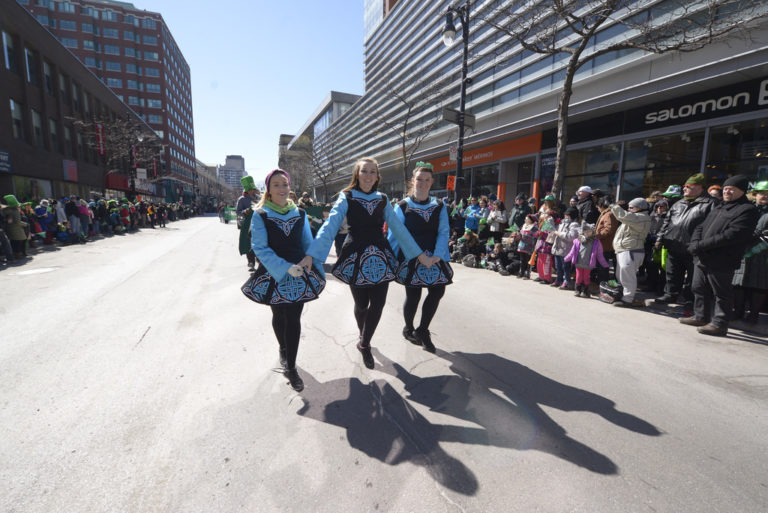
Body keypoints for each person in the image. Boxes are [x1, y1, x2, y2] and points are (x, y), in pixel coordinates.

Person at [300, 157, 436, 369]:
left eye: (373, 171)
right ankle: (362, 333)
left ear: (377, 176)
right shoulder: (347, 197)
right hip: (354, 255)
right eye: (365, 171)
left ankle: (365, 343)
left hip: (381, 256)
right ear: (357, 174)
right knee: (361, 305)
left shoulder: (383, 198)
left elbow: (399, 230)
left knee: (378, 304)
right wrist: (312, 255)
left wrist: (419, 255)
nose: (368, 175)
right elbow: (330, 226)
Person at [244, 169, 325, 391]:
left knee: (294, 318)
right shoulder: (260, 214)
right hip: (273, 273)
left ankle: (291, 366)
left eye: (285, 184)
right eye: (276, 185)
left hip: (299, 272)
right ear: (268, 190)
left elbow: (308, 242)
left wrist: (311, 260)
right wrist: (284, 268)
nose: (282, 188)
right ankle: (283, 348)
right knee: (279, 315)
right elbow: (260, 248)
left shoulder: (300, 213)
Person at [682, 175, 759, 336]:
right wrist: (695, 242)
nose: (726, 191)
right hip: (702, 256)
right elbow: (701, 226)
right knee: (698, 287)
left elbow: (732, 235)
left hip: (722, 259)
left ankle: (720, 324)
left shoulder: (747, 210)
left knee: (721, 293)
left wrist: (700, 245)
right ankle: (701, 317)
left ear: (742, 191)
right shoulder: (719, 206)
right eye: (725, 188)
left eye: (731, 189)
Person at [389, 162, 453, 353]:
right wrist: (416, 256)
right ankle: (408, 328)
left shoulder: (439, 205)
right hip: (411, 257)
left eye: (427, 180)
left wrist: (437, 255)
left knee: (437, 291)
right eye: (419, 179)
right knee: (413, 295)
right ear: (413, 181)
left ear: (431, 182)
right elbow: (399, 235)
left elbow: (443, 231)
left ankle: (423, 330)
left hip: (434, 257)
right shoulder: (402, 206)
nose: (423, 183)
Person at [654, 173, 714, 305]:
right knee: (672, 272)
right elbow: (667, 222)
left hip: (693, 247)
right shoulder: (678, 203)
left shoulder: (710, 204)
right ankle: (670, 294)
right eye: (684, 186)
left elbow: (711, 227)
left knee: (692, 276)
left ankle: (689, 299)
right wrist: (660, 238)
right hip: (673, 243)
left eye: (688, 186)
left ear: (700, 187)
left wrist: (701, 244)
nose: (684, 188)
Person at [732, 180, 768, 323]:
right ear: (755, 195)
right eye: (762, 193)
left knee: (759, 284)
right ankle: (737, 312)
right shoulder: (746, 209)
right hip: (742, 250)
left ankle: (753, 315)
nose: (765, 196)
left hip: (763, 252)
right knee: (738, 282)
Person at [611, 198, 652, 307]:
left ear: (640, 208)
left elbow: (623, 215)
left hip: (632, 250)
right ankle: (622, 295)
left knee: (627, 276)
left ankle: (628, 299)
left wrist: (613, 205)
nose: (628, 209)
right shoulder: (634, 217)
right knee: (620, 275)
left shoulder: (642, 218)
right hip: (623, 250)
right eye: (628, 207)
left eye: (631, 207)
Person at [565, 223, 608, 298]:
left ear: (592, 232)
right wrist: (567, 258)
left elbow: (599, 254)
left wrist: (604, 264)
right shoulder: (577, 241)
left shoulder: (596, 242)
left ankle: (586, 291)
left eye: (589, 231)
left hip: (588, 264)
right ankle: (577, 290)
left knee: (586, 277)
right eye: (585, 231)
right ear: (582, 232)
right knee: (578, 277)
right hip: (578, 263)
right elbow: (572, 252)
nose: (587, 233)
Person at [551, 206, 580, 289]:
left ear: (571, 215)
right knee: (558, 266)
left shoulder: (574, 224)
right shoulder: (562, 223)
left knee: (566, 267)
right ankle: (558, 279)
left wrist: (558, 233)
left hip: (566, 249)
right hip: (558, 247)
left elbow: (571, 236)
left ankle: (567, 281)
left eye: (567, 214)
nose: (565, 216)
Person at [237, 175, 262, 272]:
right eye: (251, 189)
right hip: (248, 224)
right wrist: (245, 211)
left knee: (260, 241)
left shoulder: (259, 198)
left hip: (259, 222)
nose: (253, 191)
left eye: (254, 189)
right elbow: (238, 212)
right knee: (249, 242)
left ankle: (260, 261)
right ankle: (251, 261)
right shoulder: (242, 199)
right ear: (247, 190)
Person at [2, 195, 28, 259]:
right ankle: (18, 254)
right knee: (20, 241)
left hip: (9, 228)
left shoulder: (5, 210)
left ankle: (15, 253)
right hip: (17, 229)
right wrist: (26, 224)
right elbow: (18, 222)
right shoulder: (15, 211)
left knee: (13, 242)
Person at [516, 214, 538, 279]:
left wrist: (526, 237)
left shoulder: (534, 227)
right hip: (522, 245)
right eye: (525, 219)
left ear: (531, 220)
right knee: (522, 260)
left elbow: (535, 237)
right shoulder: (524, 226)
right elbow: (521, 233)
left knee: (528, 260)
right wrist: (518, 235)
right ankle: (521, 272)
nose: (525, 220)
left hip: (529, 246)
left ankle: (527, 274)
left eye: (527, 219)